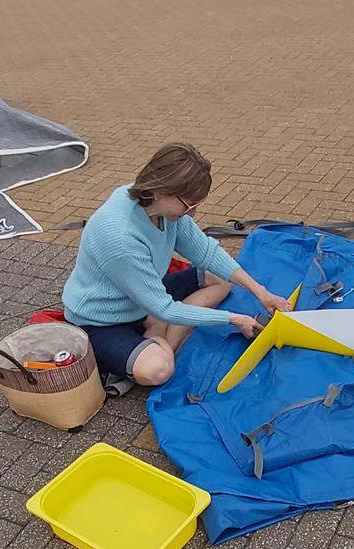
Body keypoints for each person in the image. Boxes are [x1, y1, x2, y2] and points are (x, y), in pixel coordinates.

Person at [62, 143, 292, 387]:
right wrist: (234, 319)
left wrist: (261, 292)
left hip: (143, 299)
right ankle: (156, 332)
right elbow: (164, 308)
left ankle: (158, 329)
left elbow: (205, 252)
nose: (191, 212)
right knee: (158, 370)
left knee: (219, 280)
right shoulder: (120, 237)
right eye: (187, 204)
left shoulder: (161, 208)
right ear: (161, 189)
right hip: (102, 321)